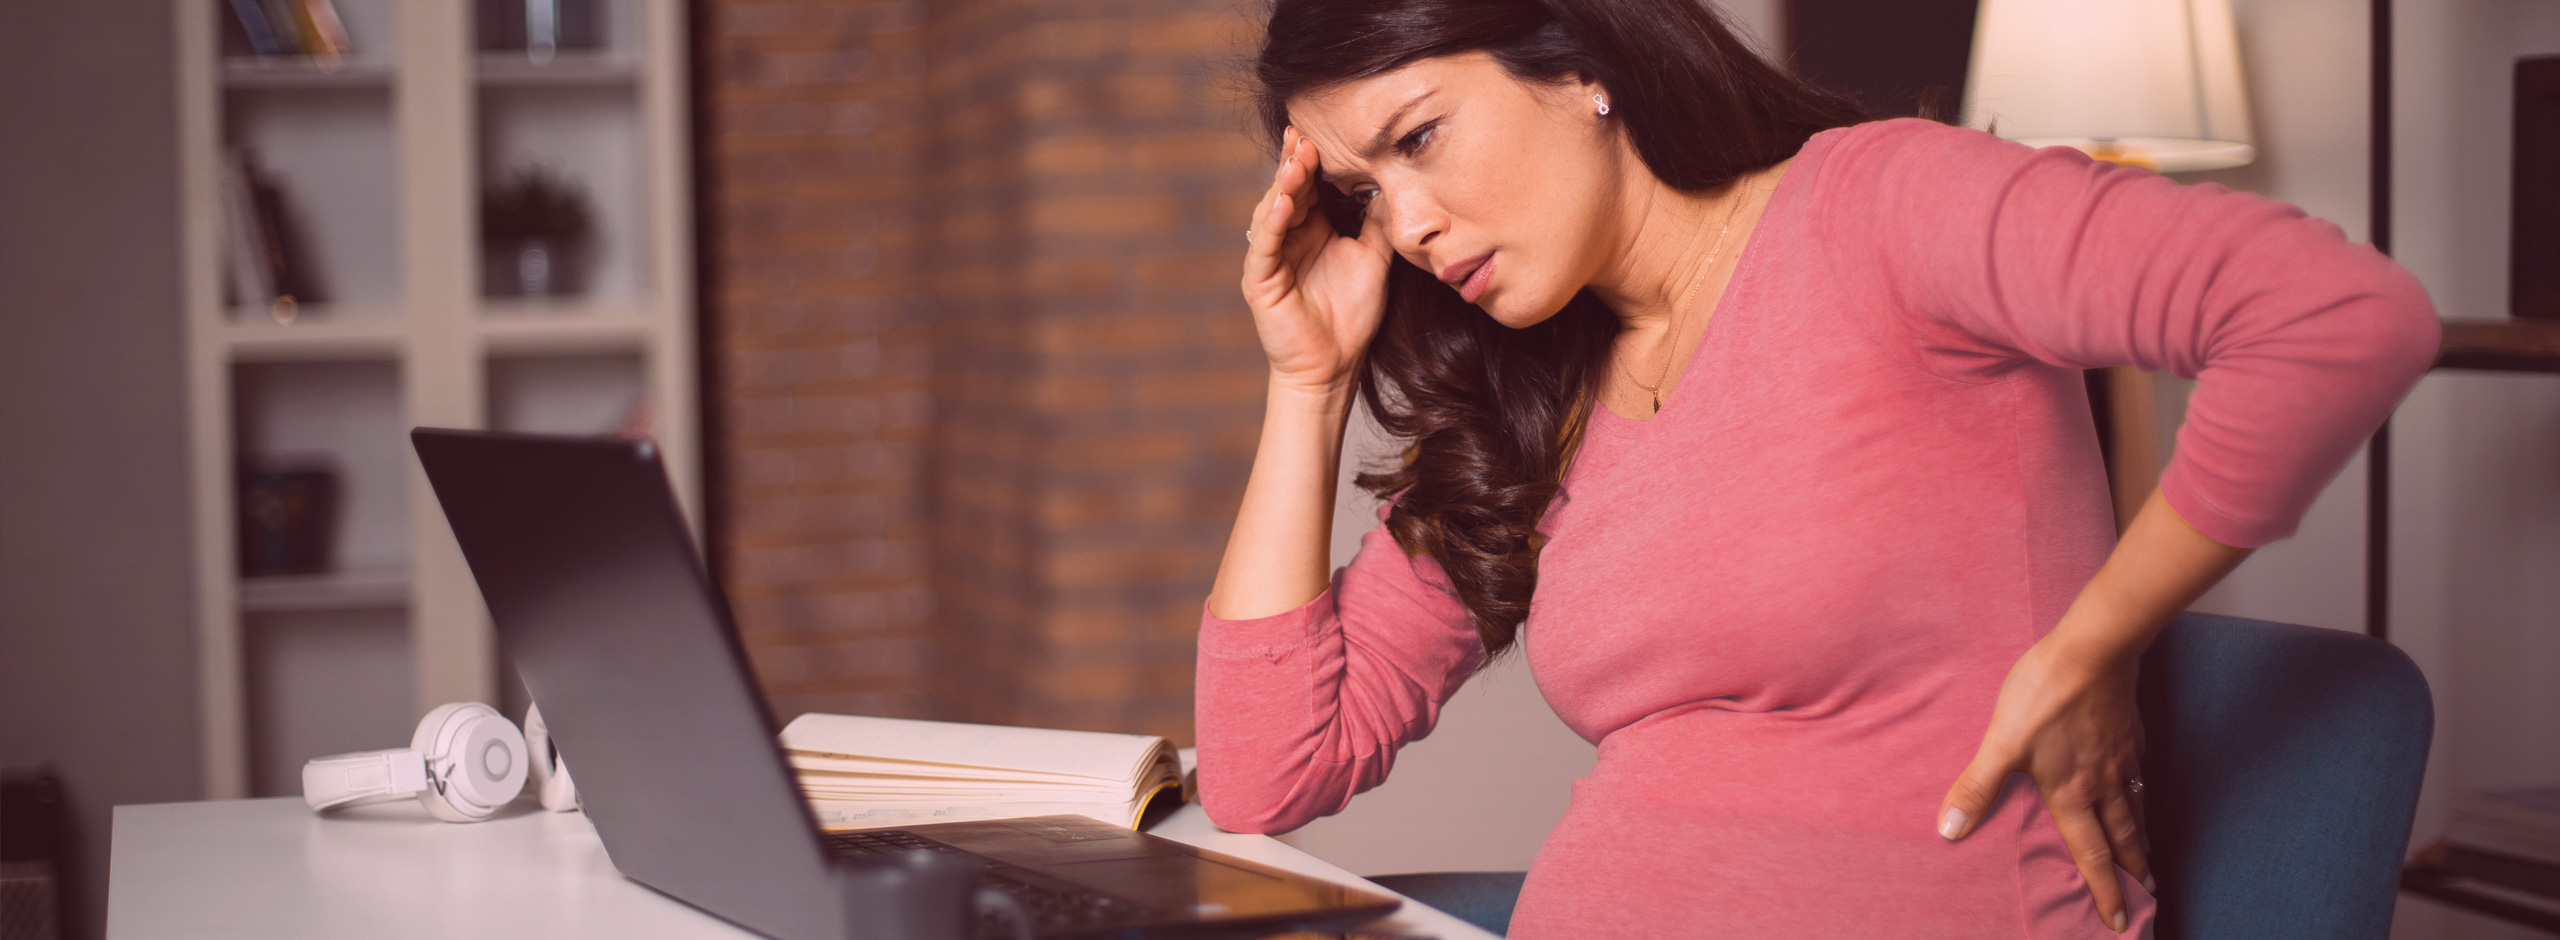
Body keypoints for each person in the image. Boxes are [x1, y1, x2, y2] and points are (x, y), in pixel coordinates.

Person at [1194, 0, 2440, 937]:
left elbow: (2333, 316)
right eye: (1365, 192)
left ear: (1580, 63)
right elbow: (1268, 772)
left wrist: (2088, 645)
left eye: (1419, 138)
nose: (1405, 226)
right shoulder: (1535, 396)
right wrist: (1307, 383)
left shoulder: (1878, 205)